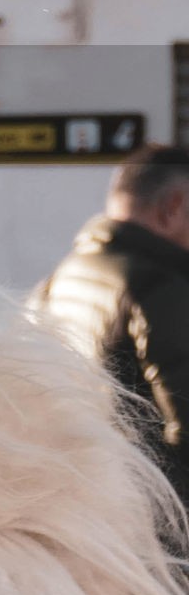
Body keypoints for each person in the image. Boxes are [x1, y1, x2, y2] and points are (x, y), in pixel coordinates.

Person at [35, 144, 189, 498]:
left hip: (87, 499)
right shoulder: (159, 285)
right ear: (174, 207)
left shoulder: (63, 275)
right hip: (156, 513)